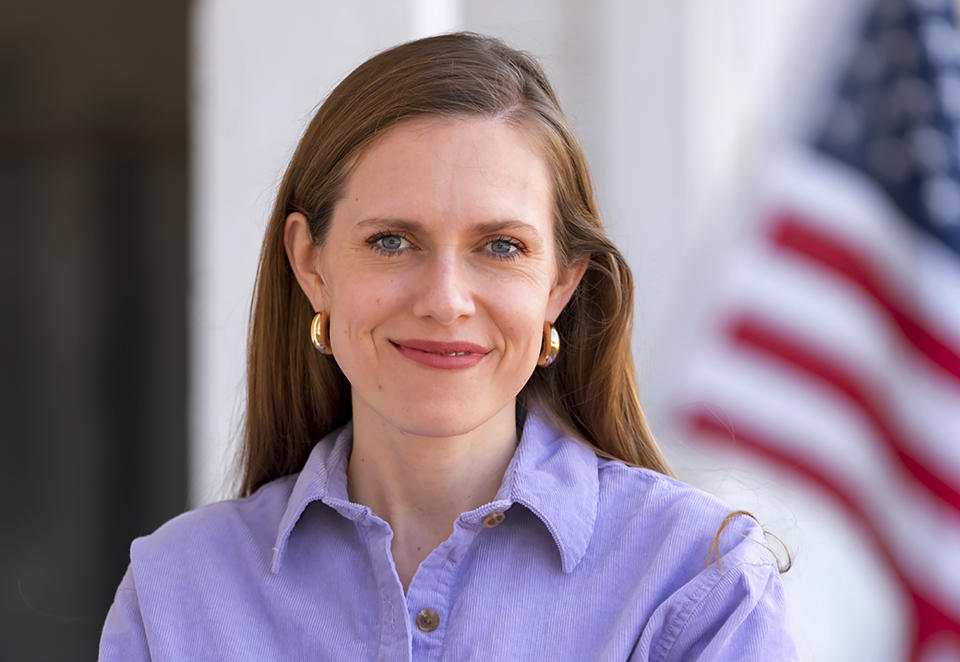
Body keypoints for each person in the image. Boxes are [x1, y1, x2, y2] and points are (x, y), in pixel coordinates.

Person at [100, 32, 798, 661]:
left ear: (561, 283)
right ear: (311, 264)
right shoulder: (176, 593)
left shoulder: (695, 584)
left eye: (500, 247)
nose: (444, 299)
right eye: (391, 241)